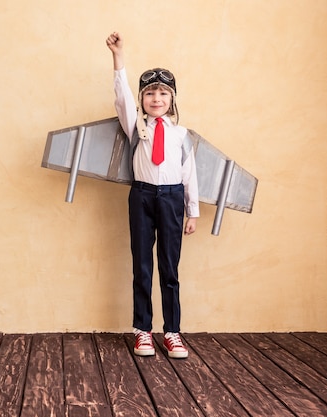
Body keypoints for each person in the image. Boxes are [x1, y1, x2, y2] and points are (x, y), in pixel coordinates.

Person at [105, 32, 199, 358]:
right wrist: (118, 56)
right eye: (150, 93)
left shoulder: (181, 135)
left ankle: (172, 332)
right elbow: (122, 95)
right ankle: (142, 330)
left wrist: (193, 211)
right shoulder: (136, 126)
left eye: (163, 93)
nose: (156, 99)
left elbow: (190, 173)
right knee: (142, 266)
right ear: (142, 99)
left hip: (172, 199)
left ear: (172, 100)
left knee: (169, 269)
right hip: (142, 197)